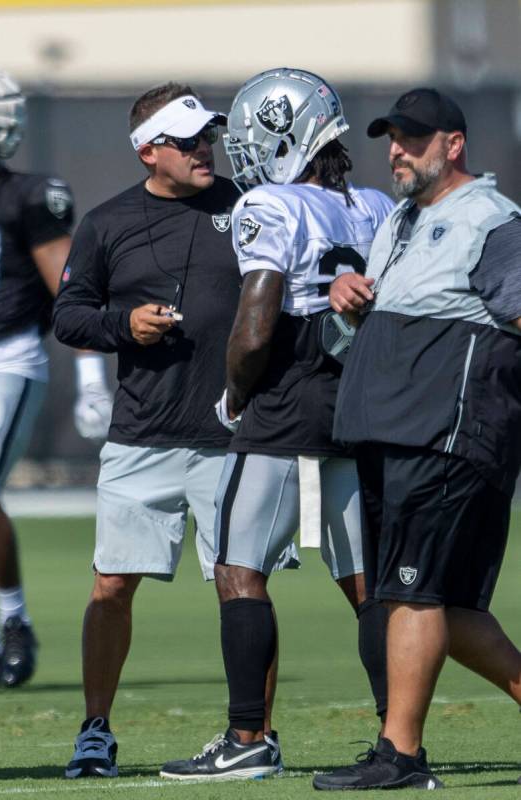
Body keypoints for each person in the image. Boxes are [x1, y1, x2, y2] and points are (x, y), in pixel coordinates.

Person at [53, 81, 298, 779]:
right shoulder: (105, 223)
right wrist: (120, 326)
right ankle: (95, 729)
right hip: (141, 435)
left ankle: (255, 734)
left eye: (207, 139)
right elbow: (68, 313)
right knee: (110, 587)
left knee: (244, 586)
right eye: (188, 141)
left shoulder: (248, 207)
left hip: (236, 438)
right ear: (147, 151)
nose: (204, 150)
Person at [160, 67, 394, 782]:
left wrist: (235, 393)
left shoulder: (270, 203)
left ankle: (246, 737)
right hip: (358, 399)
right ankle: (399, 738)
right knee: (366, 584)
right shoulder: (376, 205)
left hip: (287, 396)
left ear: (280, 134)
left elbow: (256, 322)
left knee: (237, 569)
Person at [315, 87, 521, 791]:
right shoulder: (396, 221)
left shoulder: (489, 219)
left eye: (412, 138)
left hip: (443, 433)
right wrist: (346, 293)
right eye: (390, 138)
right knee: (446, 605)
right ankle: (396, 752)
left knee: (411, 595)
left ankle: (399, 756)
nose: (396, 150)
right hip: (391, 431)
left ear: (453, 144)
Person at [0, 64, 111, 688]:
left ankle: (14, 625)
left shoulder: (32, 195)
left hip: (5, 357)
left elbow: (69, 292)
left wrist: (91, 381)